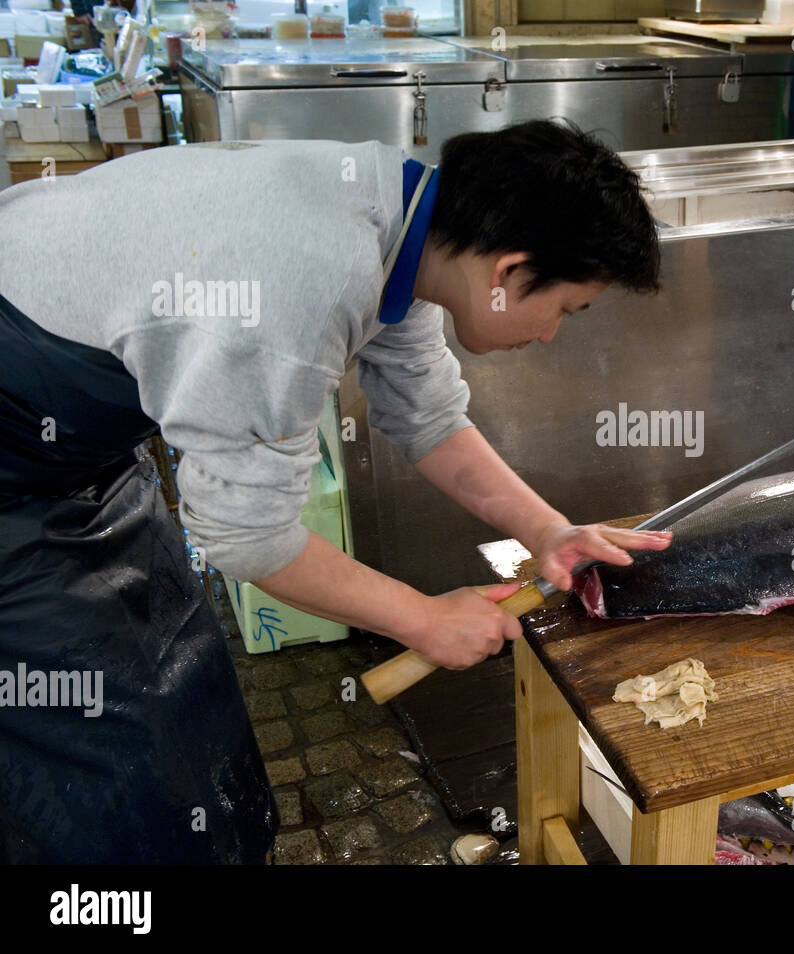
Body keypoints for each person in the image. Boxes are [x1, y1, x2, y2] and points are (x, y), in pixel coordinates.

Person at [0, 119, 670, 863]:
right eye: (567, 311)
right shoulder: (300, 283)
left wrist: (548, 531)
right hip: (13, 467)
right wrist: (420, 618)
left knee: (180, 682)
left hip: (72, 450)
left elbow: (427, 418)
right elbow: (245, 536)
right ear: (508, 273)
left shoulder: (403, 220)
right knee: (104, 762)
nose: (552, 335)